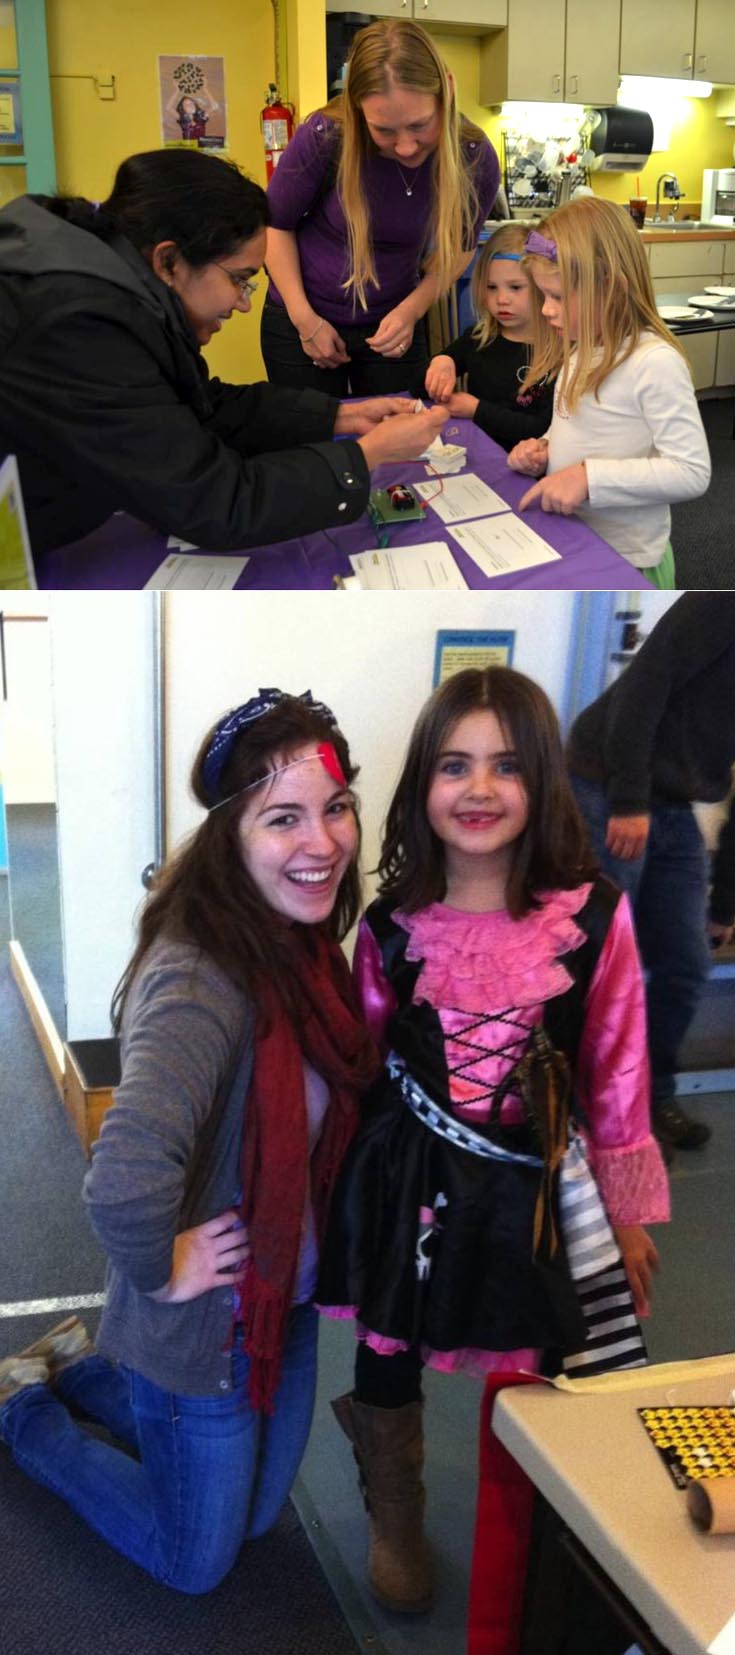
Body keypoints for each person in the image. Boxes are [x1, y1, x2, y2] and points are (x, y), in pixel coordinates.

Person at [0, 689, 378, 1593]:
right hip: (203, 1320)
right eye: (283, 817)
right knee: (196, 1561)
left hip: (280, 1296)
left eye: (335, 808)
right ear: (230, 834)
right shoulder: (201, 975)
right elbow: (123, 1179)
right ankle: (25, 1409)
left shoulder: (302, 945)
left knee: (253, 1518)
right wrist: (164, 1268)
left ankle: (89, 1372)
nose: (321, 842)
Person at [316, 666, 669, 1614]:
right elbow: (362, 1068)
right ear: (421, 784)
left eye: (505, 766)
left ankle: (537, 1526)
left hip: (535, 1187)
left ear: (542, 780)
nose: (477, 790)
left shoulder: (593, 916)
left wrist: (628, 1218)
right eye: (453, 765)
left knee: (542, 1349)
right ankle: (394, 1510)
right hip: (410, 1179)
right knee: (387, 1347)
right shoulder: (389, 927)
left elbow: (615, 1069)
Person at [0, 147, 448, 558]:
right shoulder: (81, 323)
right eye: (239, 278)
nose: (244, 302)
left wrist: (343, 418)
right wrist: (365, 456)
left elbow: (196, 407)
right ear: (169, 261)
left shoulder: (115, 284)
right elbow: (215, 501)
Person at [567, 593, 735, 1159]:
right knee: (598, 965)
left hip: (674, 803)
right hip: (606, 786)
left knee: (687, 965)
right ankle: (581, 1115)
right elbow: (647, 682)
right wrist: (629, 799)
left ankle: (644, 1100)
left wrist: (726, 906)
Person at [261, 18, 500, 397]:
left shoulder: (474, 157)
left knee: (402, 441)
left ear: (447, 92)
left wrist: (412, 310)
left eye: (420, 125)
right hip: (301, 318)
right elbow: (274, 226)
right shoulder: (327, 137)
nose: (406, 147)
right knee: (316, 448)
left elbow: (461, 245)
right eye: (384, 131)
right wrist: (305, 320)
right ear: (357, 113)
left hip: (393, 324)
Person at [506, 198, 711, 588]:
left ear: (613, 288)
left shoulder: (654, 362)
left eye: (559, 297)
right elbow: (578, 427)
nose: (546, 310)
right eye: (544, 295)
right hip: (581, 538)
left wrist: (588, 478)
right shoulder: (583, 347)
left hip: (629, 560)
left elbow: (692, 472)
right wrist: (544, 448)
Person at [422, 221, 555, 450]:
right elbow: (417, 387)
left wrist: (477, 410)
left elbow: (541, 428)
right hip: (474, 456)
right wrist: (442, 361)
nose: (501, 299)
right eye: (491, 287)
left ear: (542, 287)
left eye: (515, 287)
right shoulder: (478, 338)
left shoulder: (558, 353)